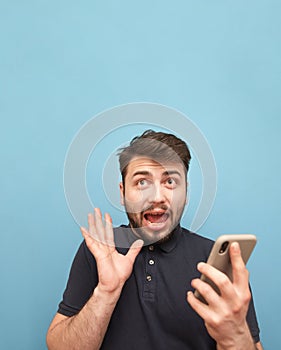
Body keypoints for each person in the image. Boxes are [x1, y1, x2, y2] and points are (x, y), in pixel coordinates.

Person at [46, 130, 263, 349]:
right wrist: (106, 291)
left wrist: (235, 338)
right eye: (142, 183)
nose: (156, 197)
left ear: (186, 193)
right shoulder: (100, 249)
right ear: (122, 193)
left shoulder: (215, 262)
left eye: (170, 181)